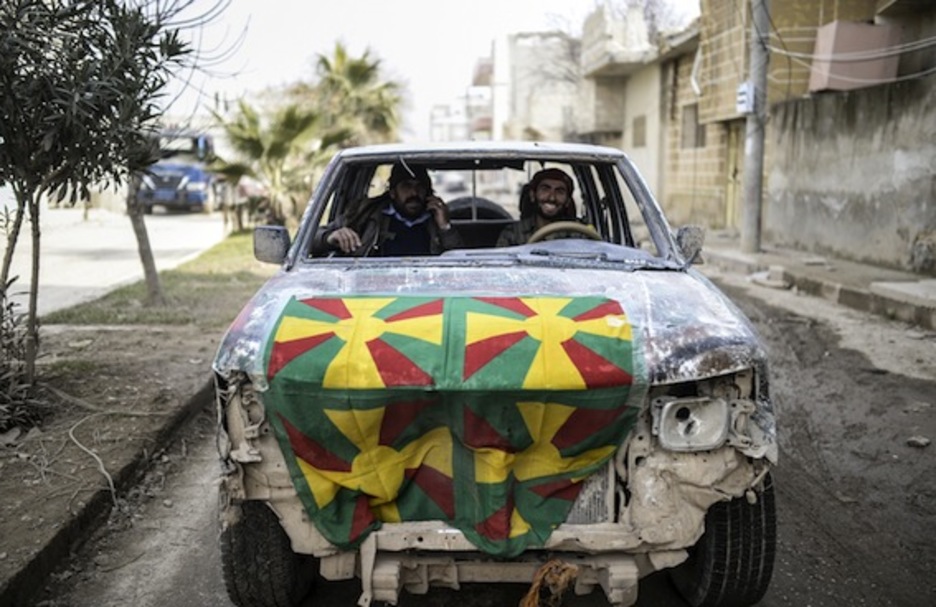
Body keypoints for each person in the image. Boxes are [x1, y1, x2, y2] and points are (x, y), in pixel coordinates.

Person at [312, 161, 462, 256]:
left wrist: (445, 227)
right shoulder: (364, 214)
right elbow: (309, 241)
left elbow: (460, 261)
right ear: (392, 192)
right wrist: (329, 237)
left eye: (419, 187)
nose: (414, 193)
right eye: (406, 186)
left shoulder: (437, 219)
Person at [496, 168, 582, 247]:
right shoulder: (513, 233)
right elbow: (500, 262)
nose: (552, 198)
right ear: (533, 195)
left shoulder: (579, 233)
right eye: (545, 189)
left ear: (568, 201)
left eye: (559, 191)